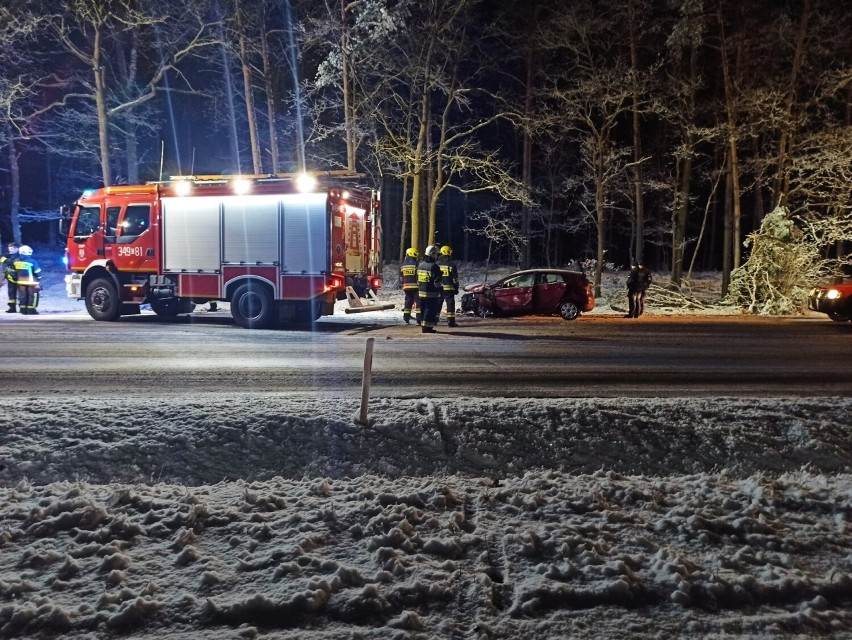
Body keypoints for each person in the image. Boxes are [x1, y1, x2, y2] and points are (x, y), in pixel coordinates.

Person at [417, 244, 443, 333]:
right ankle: (427, 328)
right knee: (430, 310)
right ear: (432, 254)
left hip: (421, 292)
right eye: (435, 254)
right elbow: (437, 282)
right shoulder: (434, 266)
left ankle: (424, 326)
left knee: (423, 310)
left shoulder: (420, 265)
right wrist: (441, 290)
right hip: (431, 293)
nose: (436, 256)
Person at [13, 245, 42, 315]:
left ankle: (23, 309)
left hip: (20, 282)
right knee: (32, 295)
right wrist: (39, 278)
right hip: (31, 282)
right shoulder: (32, 261)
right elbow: (37, 271)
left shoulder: (16, 261)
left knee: (22, 295)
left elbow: (14, 272)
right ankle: (31, 310)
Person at [437, 245, 459, 327]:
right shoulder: (451, 265)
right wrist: (456, 288)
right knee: (450, 305)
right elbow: (455, 278)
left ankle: (435, 320)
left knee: (438, 304)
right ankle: (451, 321)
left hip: (439, 288)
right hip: (449, 289)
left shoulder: (437, 264)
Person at [399, 247, 421, 324]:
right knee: (418, 302)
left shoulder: (403, 265)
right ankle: (419, 318)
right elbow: (419, 275)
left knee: (408, 302)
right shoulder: (416, 264)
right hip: (415, 287)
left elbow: (401, 276)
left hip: (406, 286)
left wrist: (402, 284)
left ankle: (406, 317)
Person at [1, 242, 18, 313]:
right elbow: (1, 258)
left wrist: (6, 260)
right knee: (11, 293)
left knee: (22, 294)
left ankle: (23, 307)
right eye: (9, 249)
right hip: (11, 278)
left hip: (19, 277)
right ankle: (12, 308)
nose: (10, 251)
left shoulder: (20, 255)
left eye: (12, 249)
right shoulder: (9, 255)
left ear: (16, 248)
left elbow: (13, 263)